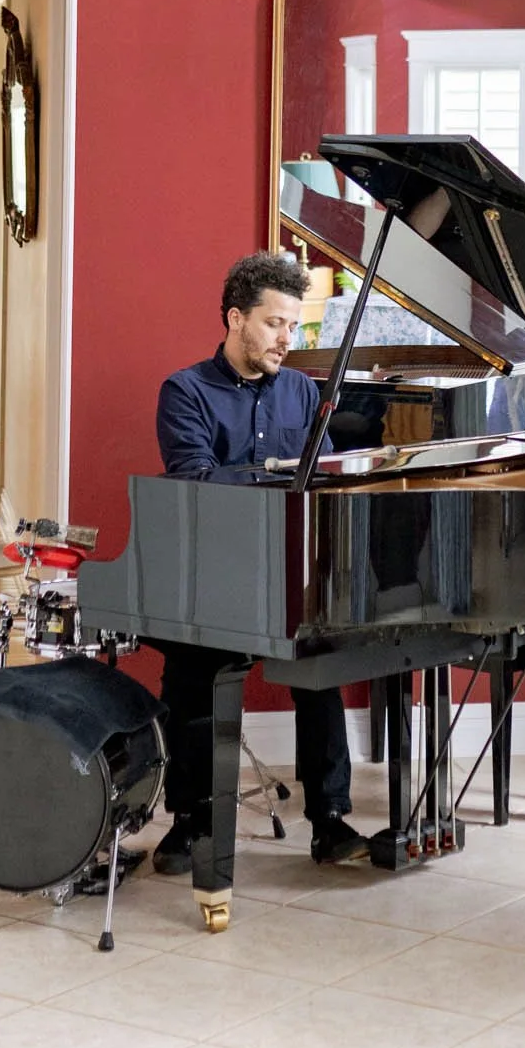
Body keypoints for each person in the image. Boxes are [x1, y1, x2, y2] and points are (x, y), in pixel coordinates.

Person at [150, 251, 371, 872]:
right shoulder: (184, 391)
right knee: (191, 669)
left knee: (320, 661)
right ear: (235, 319)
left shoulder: (304, 392)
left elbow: (322, 482)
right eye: (275, 323)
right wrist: (277, 474)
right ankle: (190, 820)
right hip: (213, 573)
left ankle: (329, 820)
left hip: (285, 574)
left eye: (295, 327)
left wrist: (268, 479)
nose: (287, 339)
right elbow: (196, 482)